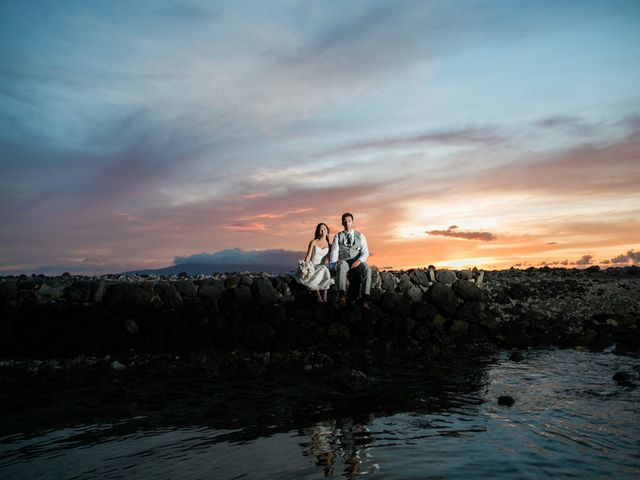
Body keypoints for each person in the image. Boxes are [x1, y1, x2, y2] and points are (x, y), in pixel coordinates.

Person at [329, 212, 371, 308]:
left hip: (357, 261)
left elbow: (365, 252)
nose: (347, 223)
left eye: (349, 221)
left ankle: (364, 299)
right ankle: (342, 295)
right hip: (344, 261)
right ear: (342, 223)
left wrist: (359, 260)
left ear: (352, 222)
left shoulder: (360, 236)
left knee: (367, 269)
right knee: (341, 265)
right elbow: (334, 252)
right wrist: (332, 267)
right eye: (345, 221)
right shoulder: (338, 236)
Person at [297, 223, 333, 302]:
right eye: (320, 229)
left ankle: (325, 298)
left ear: (327, 231)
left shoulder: (330, 245)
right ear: (318, 231)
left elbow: (331, 259)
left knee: (324, 268)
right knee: (323, 268)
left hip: (322, 268)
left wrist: (333, 268)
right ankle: (318, 295)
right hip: (313, 266)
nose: (323, 231)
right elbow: (308, 256)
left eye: (324, 229)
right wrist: (305, 267)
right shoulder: (313, 242)